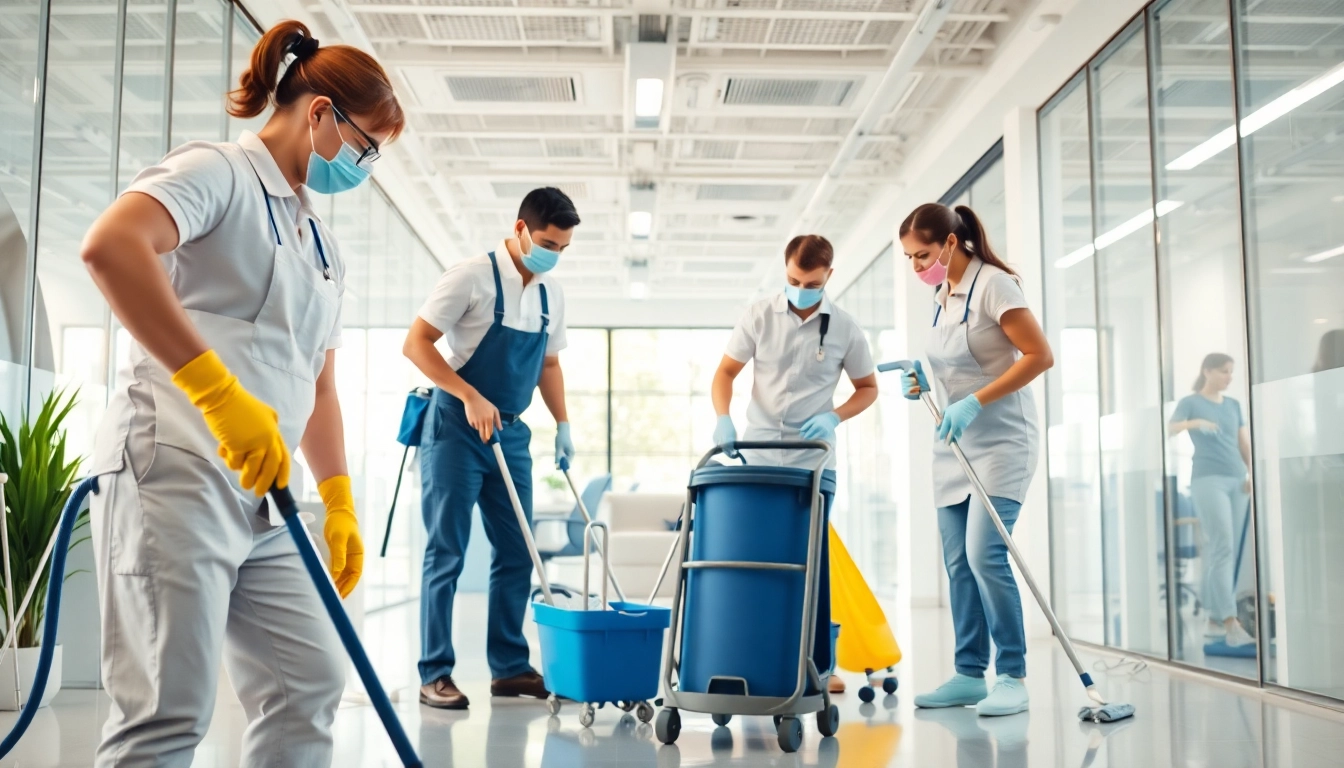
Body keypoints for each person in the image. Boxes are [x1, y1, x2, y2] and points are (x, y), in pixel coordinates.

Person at [80, 20, 403, 765]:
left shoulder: (322, 241)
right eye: (368, 147)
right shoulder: (218, 172)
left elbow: (317, 381)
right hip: (176, 470)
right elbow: (111, 245)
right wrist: (216, 393)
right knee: (167, 710)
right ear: (320, 113)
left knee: (309, 684)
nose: (367, 166)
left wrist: (342, 496)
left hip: (268, 497)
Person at [404, 187, 579, 710]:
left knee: (517, 549)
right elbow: (416, 343)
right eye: (548, 242)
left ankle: (509, 667)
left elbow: (547, 365)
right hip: (456, 427)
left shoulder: (551, 293)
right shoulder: (470, 276)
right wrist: (468, 394)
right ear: (521, 228)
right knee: (448, 551)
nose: (553, 255)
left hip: (512, 432)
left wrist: (564, 424)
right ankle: (435, 673)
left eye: (563, 248)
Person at [898, 203, 1052, 717]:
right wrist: (925, 386)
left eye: (923, 255)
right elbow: (957, 366)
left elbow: (1039, 356)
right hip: (955, 446)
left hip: (1004, 441)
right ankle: (969, 674)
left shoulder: (995, 286)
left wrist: (975, 401)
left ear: (949, 243)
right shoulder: (942, 298)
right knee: (958, 563)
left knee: (986, 554)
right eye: (910, 260)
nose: (918, 268)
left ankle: (1012, 675)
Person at [711, 234, 879, 694]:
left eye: (809, 281)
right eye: (791, 279)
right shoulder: (759, 315)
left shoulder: (845, 328)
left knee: (813, 565)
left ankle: (819, 665)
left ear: (828, 276)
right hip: (759, 456)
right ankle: (754, 655)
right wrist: (723, 418)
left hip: (812, 463)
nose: (799, 288)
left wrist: (834, 417)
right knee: (757, 560)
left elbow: (868, 387)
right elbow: (725, 373)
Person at [1169, 353, 1254, 647]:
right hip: (1208, 480)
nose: (1228, 378)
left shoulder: (1233, 405)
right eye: (1223, 372)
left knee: (1227, 552)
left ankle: (1212, 618)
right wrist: (1195, 422)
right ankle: (1230, 622)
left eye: (1231, 372)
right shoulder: (1191, 402)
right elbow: (1171, 428)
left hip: (1237, 479)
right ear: (1207, 371)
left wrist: (1251, 472)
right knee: (1223, 546)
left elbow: (1243, 442)